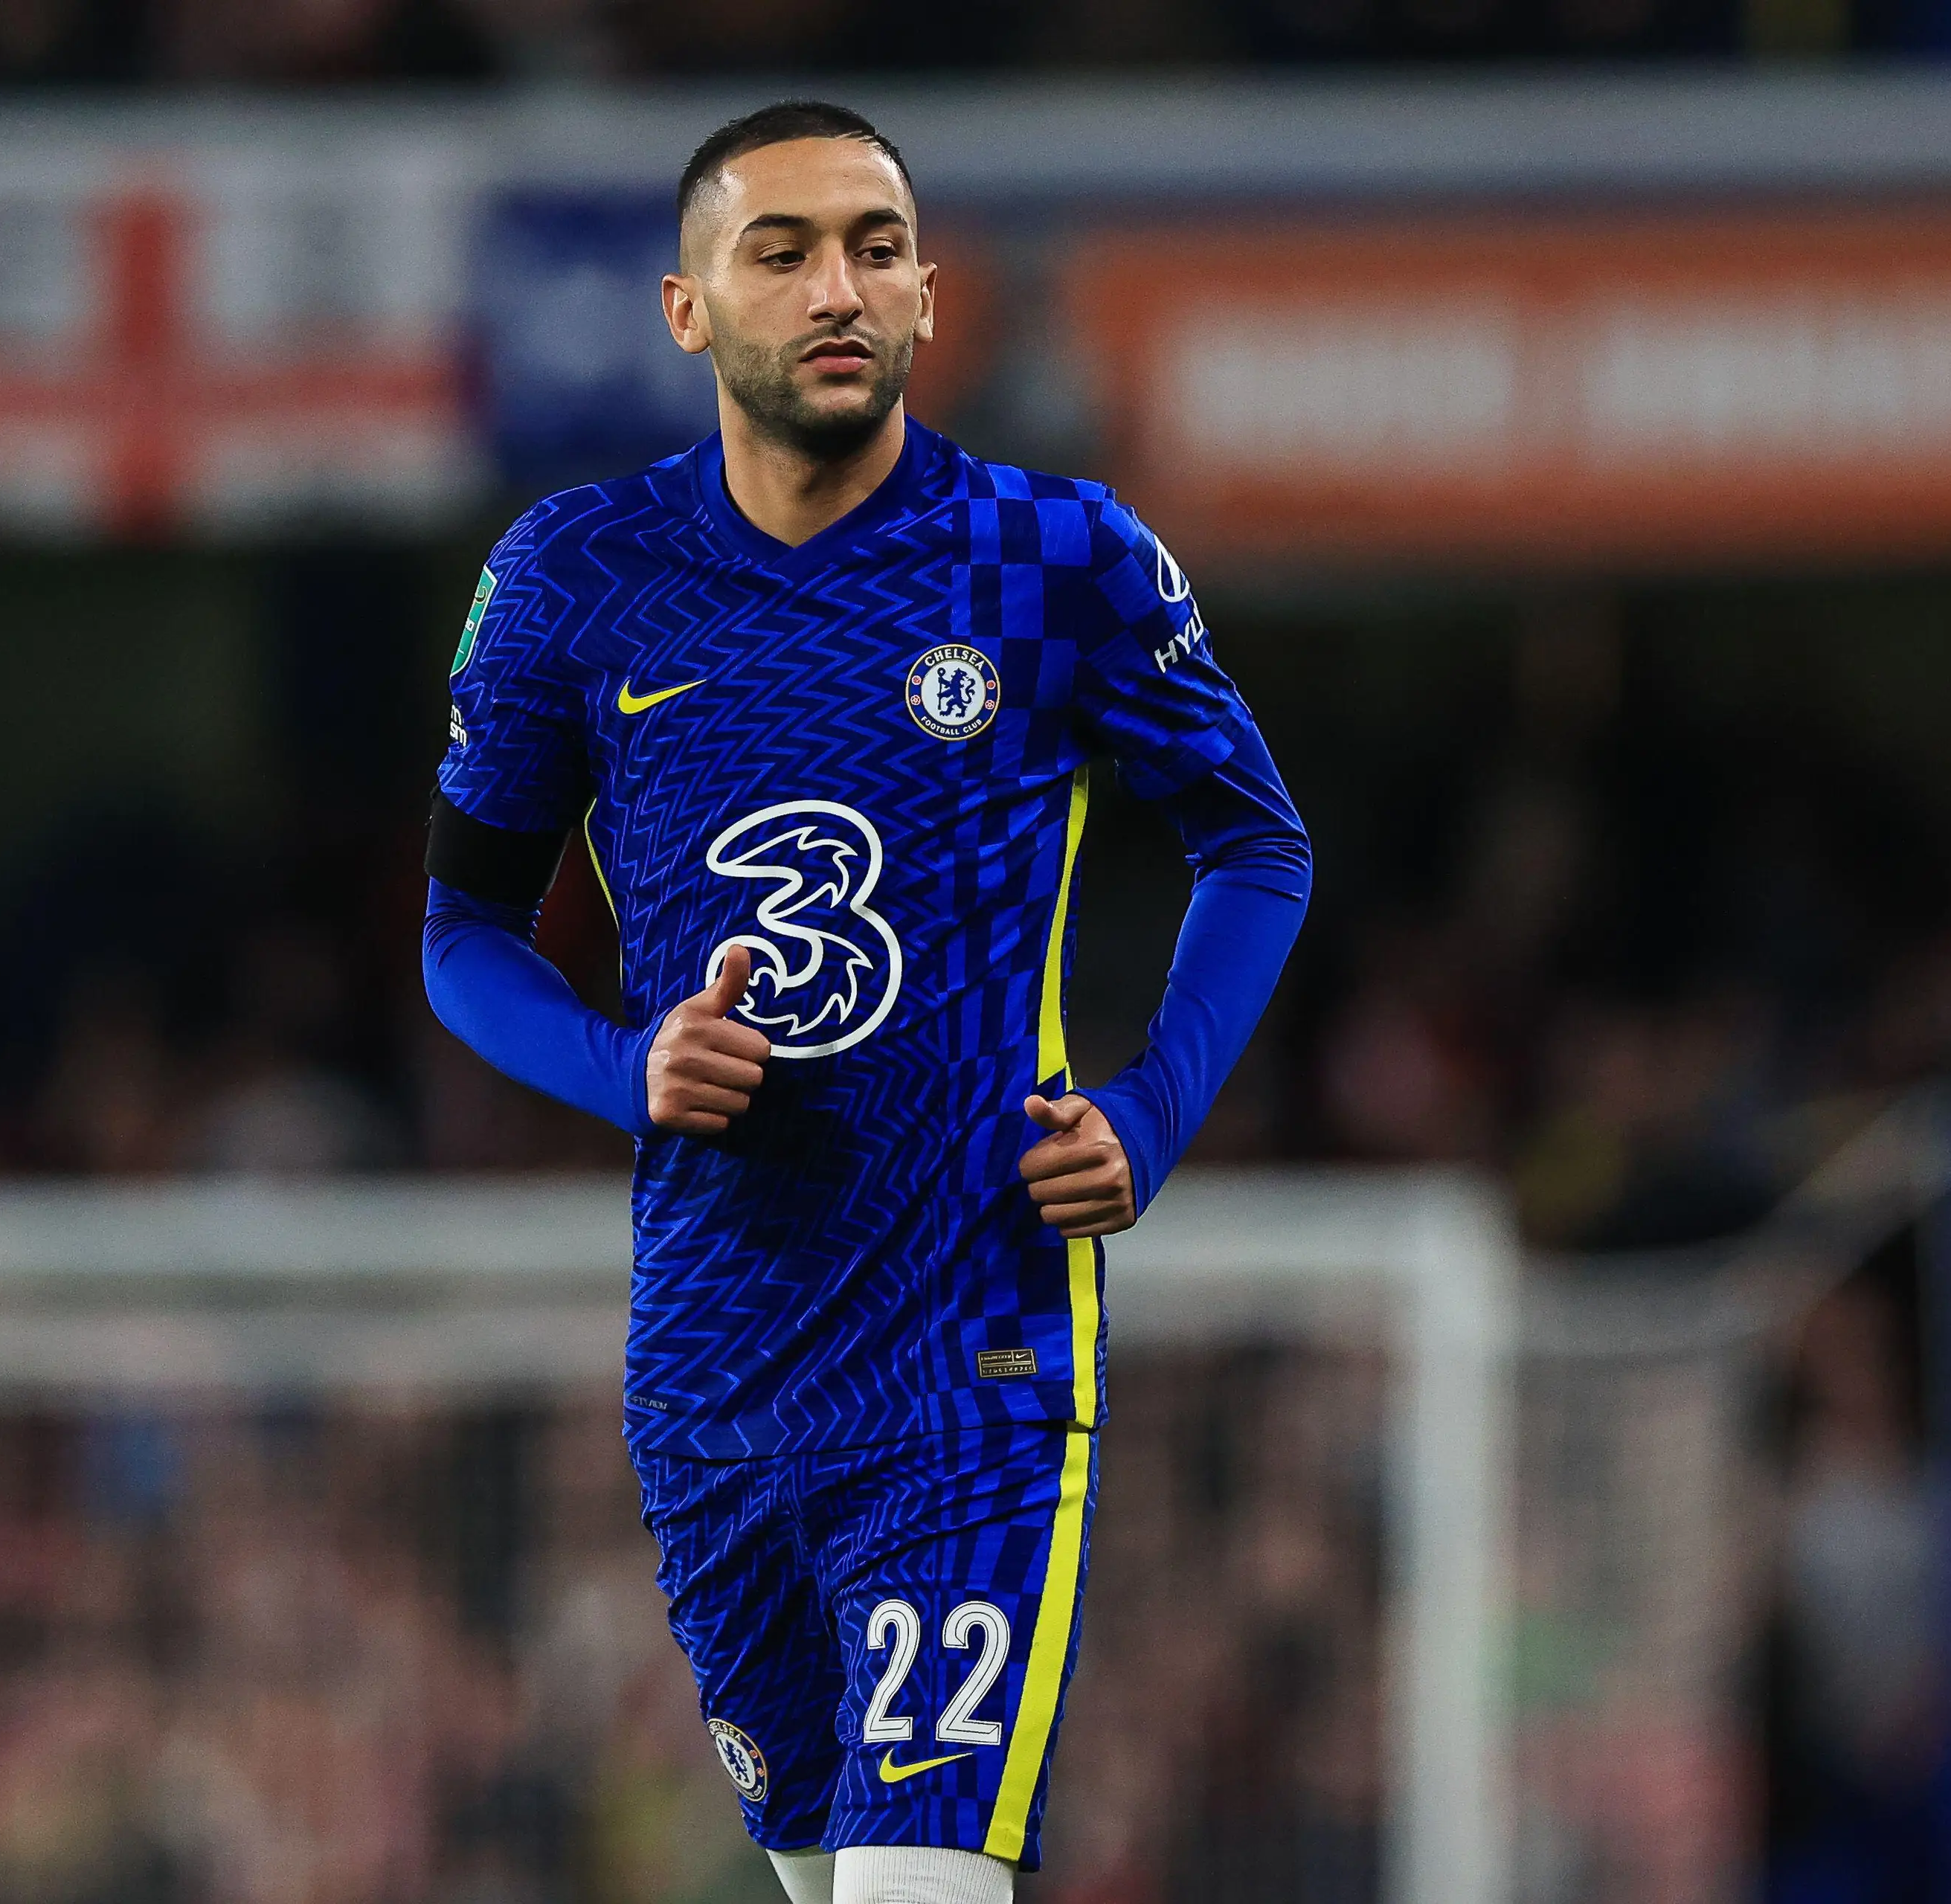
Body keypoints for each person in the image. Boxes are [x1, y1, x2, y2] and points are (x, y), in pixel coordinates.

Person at [421, 100, 1310, 1904]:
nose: (841, 285)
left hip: (966, 1347)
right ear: (687, 307)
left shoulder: (1054, 558)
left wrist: (1152, 1112)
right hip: (713, 1364)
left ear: (925, 293)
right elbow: (462, 933)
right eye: (785, 249)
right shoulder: (571, 582)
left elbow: (1257, 847)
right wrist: (626, 1064)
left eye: (877, 245)